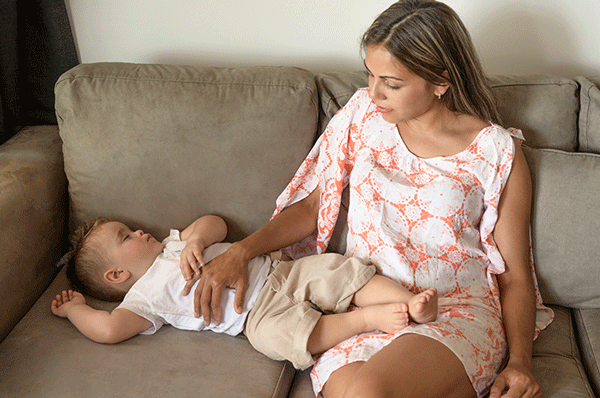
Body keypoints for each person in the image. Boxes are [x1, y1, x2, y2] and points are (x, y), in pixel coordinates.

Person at [182, 1, 554, 397]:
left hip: (453, 311)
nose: (374, 92)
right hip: (365, 308)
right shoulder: (361, 116)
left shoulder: (496, 151)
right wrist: (242, 251)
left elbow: (515, 276)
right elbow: (313, 208)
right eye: (370, 74)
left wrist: (520, 363)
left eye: (391, 83)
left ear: (441, 81)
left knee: (367, 393)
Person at [51, 215, 438, 370]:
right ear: (117, 273)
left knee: (338, 270)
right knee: (279, 340)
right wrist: (76, 310)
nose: (138, 231)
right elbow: (108, 329)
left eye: (130, 227)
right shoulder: (143, 300)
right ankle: (363, 319)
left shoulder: (175, 245)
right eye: (126, 236)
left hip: (279, 272)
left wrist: (195, 240)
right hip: (254, 317)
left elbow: (214, 223)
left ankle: (408, 301)